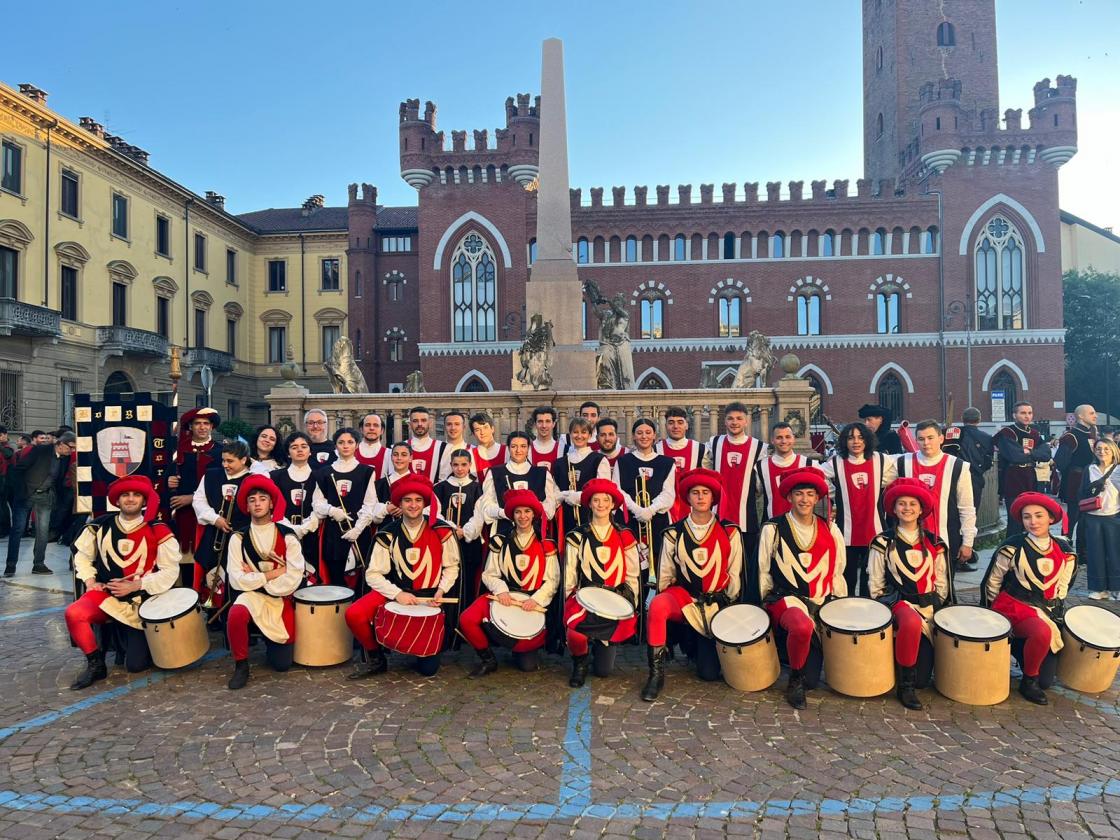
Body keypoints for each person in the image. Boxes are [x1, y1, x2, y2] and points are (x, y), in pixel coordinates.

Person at [64, 475, 179, 689]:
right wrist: (90, 581)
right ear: (117, 500)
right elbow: (81, 556)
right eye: (125, 495)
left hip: (142, 602)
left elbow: (170, 571)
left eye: (136, 495)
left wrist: (136, 585)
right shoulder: (99, 526)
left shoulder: (158, 529)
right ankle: (96, 664)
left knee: (136, 665)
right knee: (74, 613)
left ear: (144, 501)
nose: (130, 499)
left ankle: (132, 642)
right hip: (107, 595)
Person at [345, 475, 460, 678]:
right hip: (395, 591)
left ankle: (417, 649)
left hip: (430, 596)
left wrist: (441, 591)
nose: (413, 505)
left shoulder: (442, 530)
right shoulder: (387, 533)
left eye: (418, 500)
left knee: (428, 670)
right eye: (407, 500)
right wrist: (397, 594)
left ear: (425, 504)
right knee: (354, 614)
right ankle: (376, 658)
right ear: (399, 504)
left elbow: (452, 567)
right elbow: (373, 574)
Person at [643, 468, 742, 701]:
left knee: (709, 674)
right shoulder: (673, 533)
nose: (700, 497)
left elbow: (734, 574)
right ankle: (656, 674)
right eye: (695, 492)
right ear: (687, 497)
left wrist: (728, 605)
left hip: (716, 603)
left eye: (705, 492)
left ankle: (698, 647)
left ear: (713, 497)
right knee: (657, 605)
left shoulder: (729, 531)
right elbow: (665, 575)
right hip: (684, 598)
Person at [757, 467, 847, 709]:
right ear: (789, 497)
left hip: (820, 601)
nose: (804, 499)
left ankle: (801, 670)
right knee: (801, 626)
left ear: (817, 498)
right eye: (799, 494)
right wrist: (766, 605)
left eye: (809, 494)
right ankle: (793, 680)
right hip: (786, 599)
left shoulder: (830, 528)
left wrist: (837, 604)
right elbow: (763, 571)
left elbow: (837, 571)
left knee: (813, 681)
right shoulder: (772, 528)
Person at [981, 492, 1076, 705]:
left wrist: (1053, 613)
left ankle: (1021, 648)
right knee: (1041, 633)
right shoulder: (1012, 547)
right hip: (1013, 606)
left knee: (1047, 680)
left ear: (1051, 518)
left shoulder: (1065, 551)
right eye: (1027, 517)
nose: (1033, 522)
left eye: (1039, 516)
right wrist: (992, 619)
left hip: (1045, 612)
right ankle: (1028, 680)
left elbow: (1062, 588)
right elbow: (992, 582)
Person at [867, 478, 949, 710]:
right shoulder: (883, 542)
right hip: (897, 602)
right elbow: (875, 582)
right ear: (893, 509)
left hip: (929, 607)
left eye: (913, 504)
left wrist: (937, 609)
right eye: (901, 504)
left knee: (924, 679)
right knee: (910, 623)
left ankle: (911, 675)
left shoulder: (935, 542)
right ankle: (905, 686)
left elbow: (940, 581)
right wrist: (882, 609)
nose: (907, 509)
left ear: (921, 509)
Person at [460, 490, 559, 677]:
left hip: (532, 601)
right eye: (518, 512)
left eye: (527, 511)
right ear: (512, 515)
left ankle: (521, 648)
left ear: (534, 514)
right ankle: (488, 660)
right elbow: (489, 574)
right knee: (467, 618)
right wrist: (501, 590)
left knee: (526, 666)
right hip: (504, 596)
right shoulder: (499, 540)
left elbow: (552, 581)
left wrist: (536, 600)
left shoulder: (546, 543)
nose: (523, 516)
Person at [225, 475, 305, 690]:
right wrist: (274, 573)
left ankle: (271, 643)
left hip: (280, 599)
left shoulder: (288, 535)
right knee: (236, 613)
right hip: (251, 596)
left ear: (271, 503)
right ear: (247, 506)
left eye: (262, 499)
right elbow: (236, 579)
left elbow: (294, 577)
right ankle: (241, 665)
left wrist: (256, 578)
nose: (257, 503)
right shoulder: (238, 538)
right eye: (252, 500)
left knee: (282, 665)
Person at [563, 479, 640, 687]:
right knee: (575, 632)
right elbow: (570, 573)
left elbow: (632, 575)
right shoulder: (577, 536)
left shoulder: (625, 535)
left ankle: (599, 644)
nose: (601, 504)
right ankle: (579, 663)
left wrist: (631, 601)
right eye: (596, 500)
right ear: (589, 504)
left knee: (604, 672)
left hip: (614, 601)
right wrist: (569, 601)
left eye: (606, 500)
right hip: (586, 599)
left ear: (613, 504)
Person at [820, 422, 897, 597]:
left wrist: (880, 484)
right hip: (846, 531)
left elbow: (898, 470)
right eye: (851, 438)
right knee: (847, 577)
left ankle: (868, 615)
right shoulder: (837, 461)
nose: (856, 441)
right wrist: (835, 492)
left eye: (860, 437)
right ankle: (847, 613)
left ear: (867, 440)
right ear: (844, 441)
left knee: (871, 577)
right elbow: (818, 474)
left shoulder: (880, 459)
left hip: (875, 530)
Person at [896, 420, 977, 577]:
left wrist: (968, 543)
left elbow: (966, 508)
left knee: (944, 590)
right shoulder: (902, 462)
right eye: (921, 439)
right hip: (909, 538)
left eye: (930, 438)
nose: (926, 443)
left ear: (941, 439)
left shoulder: (959, 466)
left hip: (946, 538)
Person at [703, 401, 766, 599]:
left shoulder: (758, 447)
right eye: (730, 418)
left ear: (746, 421)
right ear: (725, 420)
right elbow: (706, 469)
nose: (734, 422)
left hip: (746, 516)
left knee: (745, 563)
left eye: (739, 418)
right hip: (719, 515)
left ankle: (746, 601)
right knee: (719, 560)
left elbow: (760, 482)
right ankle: (721, 598)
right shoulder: (714, 443)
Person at [614, 419, 676, 594]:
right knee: (631, 567)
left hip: (657, 522)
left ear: (655, 436)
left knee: (657, 563)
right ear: (633, 436)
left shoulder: (666, 462)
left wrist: (650, 509)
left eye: (648, 432)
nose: (644, 436)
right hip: (630, 522)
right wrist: (637, 510)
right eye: (639, 432)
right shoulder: (623, 461)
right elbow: (618, 490)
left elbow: (669, 493)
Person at [311, 428, 377, 587]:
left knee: (359, 580)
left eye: (350, 442)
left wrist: (358, 529)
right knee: (336, 579)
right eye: (341, 442)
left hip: (359, 532)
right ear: (335, 446)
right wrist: (332, 511)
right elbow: (317, 503)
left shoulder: (367, 471)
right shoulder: (324, 473)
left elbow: (370, 504)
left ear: (357, 445)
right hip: (334, 534)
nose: (345, 446)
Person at [4, 432, 76, 576]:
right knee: (17, 530)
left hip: (45, 496)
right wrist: (21, 491)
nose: (72, 451)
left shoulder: (64, 458)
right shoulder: (40, 450)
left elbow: (58, 479)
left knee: (42, 532)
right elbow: (19, 470)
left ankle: (39, 564)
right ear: (61, 444)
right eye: (71, 447)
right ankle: (10, 566)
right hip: (26, 495)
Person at [191, 440, 253, 605]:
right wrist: (215, 518)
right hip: (215, 534)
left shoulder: (252, 479)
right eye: (223, 460)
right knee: (213, 574)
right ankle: (214, 611)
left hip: (242, 537)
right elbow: (198, 501)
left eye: (230, 461)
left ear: (244, 460)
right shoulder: (211, 475)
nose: (225, 464)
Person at [165, 407, 222, 579]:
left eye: (206, 423)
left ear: (211, 426)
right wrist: (168, 480)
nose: (202, 427)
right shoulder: (178, 450)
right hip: (183, 516)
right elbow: (165, 478)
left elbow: (221, 484)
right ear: (191, 426)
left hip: (209, 515)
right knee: (185, 560)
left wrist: (192, 498)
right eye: (197, 423)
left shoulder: (220, 452)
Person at [476, 431, 559, 538]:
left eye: (523, 446)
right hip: (503, 533)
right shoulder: (494, 473)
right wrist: (508, 512)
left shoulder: (542, 473)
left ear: (529, 448)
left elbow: (550, 510)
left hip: (535, 535)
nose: (518, 450)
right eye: (514, 446)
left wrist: (527, 514)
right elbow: (486, 509)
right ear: (508, 448)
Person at [269, 432, 322, 584]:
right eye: (294, 447)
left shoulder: (320, 476)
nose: (299, 450)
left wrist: (304, 528)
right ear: (288, 452)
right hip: (282, 533)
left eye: (304, 446)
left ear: (310, 451)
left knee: (311, 577)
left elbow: (320, 507)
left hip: (311, 534)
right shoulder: (275, 476)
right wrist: (291, 529)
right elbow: (273, 508)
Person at [434, 449, 484, 605]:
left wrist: (465, 532)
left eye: (464, 464)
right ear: (451, 465)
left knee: (468, 580)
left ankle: (464, 615)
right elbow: (435, 512)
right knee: (448, 579)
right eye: (455, 465)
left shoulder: (478, 488)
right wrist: (451, 530)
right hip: (447, 541)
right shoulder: (440, 487)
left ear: (470, 465)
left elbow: (479, 514)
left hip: (470, 542)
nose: (460, 468)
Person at [995, 402, 1050, 536]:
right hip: (1013, 477)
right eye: (1023, 413)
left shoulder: (1035, 433)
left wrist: (1029, 453)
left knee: (1031, 516)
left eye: (1029, 413)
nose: (1027, 416)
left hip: (1030, 476)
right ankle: (1011, 551)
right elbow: (1014, 456)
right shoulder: (1007, 432)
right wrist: (1033, 454)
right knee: (1015, 519)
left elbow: (1046, 454)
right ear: (1015, 415)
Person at [553, 419, 610, 545]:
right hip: (566, 519)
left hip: (592, 517)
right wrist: (566, 495)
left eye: (584, 432)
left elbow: (603, 490)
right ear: (570, 434)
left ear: (590, 435)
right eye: (575, 432)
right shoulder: (559, 463)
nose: (579, 436)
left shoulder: (599, 460)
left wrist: (579, 496)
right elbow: (554, 493)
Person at [1077, 439, 1120, 600]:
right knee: (1095, 554)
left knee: (1115, 554)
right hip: (1093, 516)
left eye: (1106, 449)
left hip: (1113, 516)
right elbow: (1081, 492)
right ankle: (1098, 588)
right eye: (1099, 449)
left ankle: (1117, 588)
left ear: (1114, 451)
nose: (1102, 452)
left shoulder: (1118, 469)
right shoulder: (1090, 469)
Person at [941, 407, 995, 523]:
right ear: (979, 420)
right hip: (974, 477)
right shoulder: (987, 438)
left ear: (962, 419)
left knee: (951, 511)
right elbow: (988, 460)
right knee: (970, 511)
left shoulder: (950, 433)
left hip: (951, 477)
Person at [656, 406, 707, 522]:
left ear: (686, 425)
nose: (675, 426)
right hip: (664, 512)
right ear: (665, 426)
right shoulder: (656, 450)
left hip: (693, 512)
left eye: (680, 422)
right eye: (671, 423)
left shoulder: (700, 449)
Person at [1055, 404, 1098, 538]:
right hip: (1076, 479)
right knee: (1072, 515)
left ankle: (1082, 548)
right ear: (1080, 415)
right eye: (1091, 413)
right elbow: (1061, 461)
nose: (1095, 416)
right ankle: (1065, 542)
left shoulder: (1092, 434)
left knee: (1087, 516)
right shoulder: (1071, 436)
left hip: (1091, 478)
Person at [752, 422, 809, 523]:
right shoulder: (760, 466)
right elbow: (756, 493)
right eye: (779, 437)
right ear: (772, 440)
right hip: (771, 526)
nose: (784, 441)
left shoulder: (807, 464)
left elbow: (826, 490)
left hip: (802, 525)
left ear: (793, 438)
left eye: (788, 437)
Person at [373, 443, 413, 524]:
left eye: (404, 455)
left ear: (411, 458)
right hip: (386, 533)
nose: (399, 458)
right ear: (391, 457)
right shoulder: (379, 484)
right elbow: (374, 519)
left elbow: (428, 512)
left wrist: (406, 509)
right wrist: (386, 509)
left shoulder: (420, 482)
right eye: (395, 454)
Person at [407, 406, 445, 483]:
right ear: (410, 424)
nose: (419, 424)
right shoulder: (399, 448)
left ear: (430, 423)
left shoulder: (443, 448)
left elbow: (444, 480)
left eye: (423, 420)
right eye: (415, 421)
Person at [468, 412, 506, 482]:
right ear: (473, 434)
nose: (482, 432)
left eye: (485, 427)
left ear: (492, 429)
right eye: (477, 430)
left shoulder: (507, 451)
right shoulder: (469, 455)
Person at [437, 410, 471, 481]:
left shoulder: (473, 450)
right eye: (449, 424)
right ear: (444, 427)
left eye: (457, 424)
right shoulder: (437, 450)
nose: (453, 428)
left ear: (464, 427)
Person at [355, 413, 389, 480]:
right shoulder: (350, 452)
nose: (371, 428)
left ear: (382, 430)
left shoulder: (389, 454)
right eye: (367, 425)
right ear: (361, 429)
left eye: (376, 425)